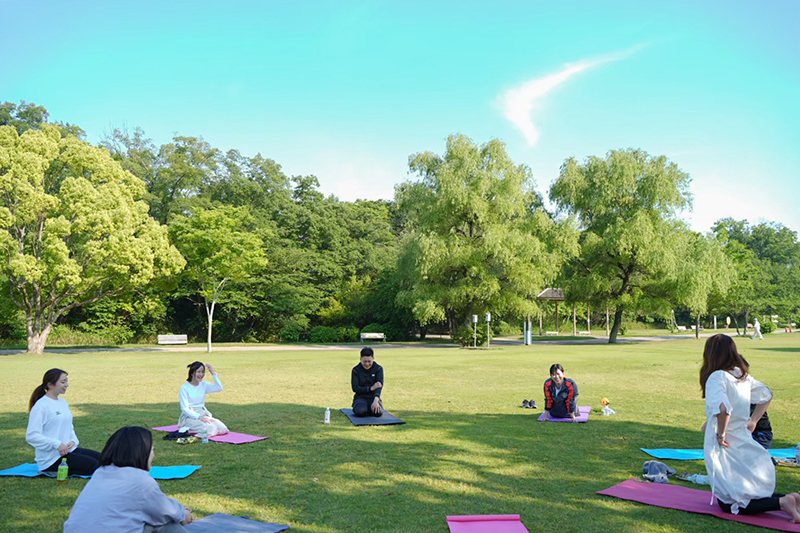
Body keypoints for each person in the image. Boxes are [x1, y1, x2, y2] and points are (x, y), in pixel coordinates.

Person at [700, 334, 800, 520]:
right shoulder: (741, 375)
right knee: (742, 490)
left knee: (729, 504)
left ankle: (782, 502)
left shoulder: (717, 377)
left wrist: (721, 434)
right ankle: (792, 499)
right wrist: (753, 420)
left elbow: (723, 408)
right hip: (741, 437)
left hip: (727, 443)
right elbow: (766, 394)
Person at [63, 426, 193, 533]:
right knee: (164, 524)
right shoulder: (141, 481)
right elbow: (166, 512)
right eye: (152, 448)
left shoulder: (101, 473)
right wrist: (184, 513)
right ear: (144, 452)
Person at [26, 368, 100, 476]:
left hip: (68, 451)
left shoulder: (63, 402)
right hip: (51, 459)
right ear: (50, 385)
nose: (67, 384)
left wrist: (73, 441)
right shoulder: (41, 406)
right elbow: (31, 436)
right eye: (63, 382)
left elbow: (69, 427)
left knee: (103, 459)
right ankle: (48, 470)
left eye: (67, 381)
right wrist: (57, 444)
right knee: (94, 466)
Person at [178, 361, 228, 436]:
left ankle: (199, 430)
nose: (201, 374)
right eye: (198, 372)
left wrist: (212, 372)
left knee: (223, 428)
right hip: (189, 416)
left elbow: (219, 387)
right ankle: (187, 429)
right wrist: (199, 417)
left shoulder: (204, 385)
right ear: (192, 373)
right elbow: (185, 409)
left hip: (202, 413)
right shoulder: (184, 388)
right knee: (211, 428)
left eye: (202, 372)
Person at [351, 347, 384, 417]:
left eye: (369, 361)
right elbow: (355, 388)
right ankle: (362, 407)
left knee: (378, 413)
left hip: (373, 397)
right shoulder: (355, 370)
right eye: (364, 361)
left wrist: (376, 401)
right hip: (360, 398)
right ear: (360, 359)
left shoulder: (378, 369)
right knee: (360, 412)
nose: (367, 364)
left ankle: (370, 407)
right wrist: (371, 388)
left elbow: (379, 386)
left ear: (373, 359)